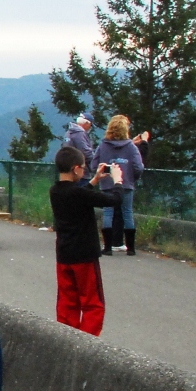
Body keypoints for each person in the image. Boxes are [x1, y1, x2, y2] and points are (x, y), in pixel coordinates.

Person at [48, 146, 121, 336]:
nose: (84, 171)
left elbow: (78, 196)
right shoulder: (79, 194)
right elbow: (115, 200)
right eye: (83, 167)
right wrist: (118, 181)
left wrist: (94, 181)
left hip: (64, 254)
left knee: (67, 302)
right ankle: (86, 342)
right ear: (75, 169)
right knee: (92, 303)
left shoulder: (55, 191)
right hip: (85, 256)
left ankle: (66, 338)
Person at [95, 114, 145, 256]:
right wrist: (131, 178)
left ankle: (107, 247)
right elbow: (138, 167)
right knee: (127, 213)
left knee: (108, 212)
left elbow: (94, 164)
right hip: (126, 184)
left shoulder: (103, 145)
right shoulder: (131, 147)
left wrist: (103, 173)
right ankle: (131, 248)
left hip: (107, 184)